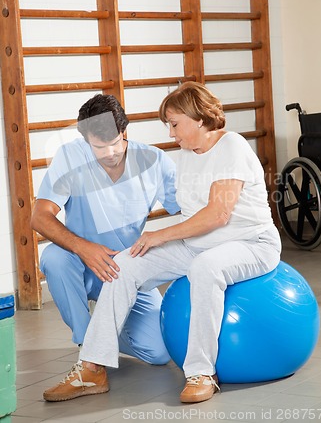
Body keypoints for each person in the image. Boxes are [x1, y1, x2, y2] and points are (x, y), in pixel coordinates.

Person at [43, 82, 281, 404]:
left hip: (251, 242)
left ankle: (201, 372)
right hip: (200, 243)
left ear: (198, 118)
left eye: (174, 124)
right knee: (124, 265)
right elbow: (186, 210)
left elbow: (217, 214)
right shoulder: (185, 156)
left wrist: (159, 236)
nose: (170, 133)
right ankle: (92, 368)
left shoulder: (232, 147)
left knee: (205, 268)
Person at [31, 93, 180, 401]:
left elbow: (187, 210)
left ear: (125, 130)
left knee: (158, 352)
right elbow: (40, 217)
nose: (110, 152)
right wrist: (84, 248)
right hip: (81, 264)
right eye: (99, 147)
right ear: (86, 140)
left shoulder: (154, 160)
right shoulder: (70, 157)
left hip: (127, 270)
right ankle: (90, 360)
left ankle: (103, 338)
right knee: (54, 259)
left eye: (115, 141)